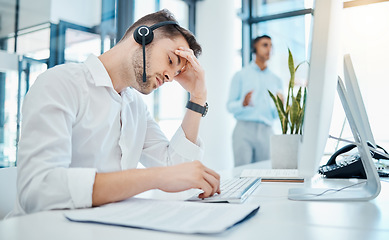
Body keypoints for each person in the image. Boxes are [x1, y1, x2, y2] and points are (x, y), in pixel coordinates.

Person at [11, 9, 220, 216]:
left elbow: (175, 169)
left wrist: (197, 97)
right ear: (142, 34)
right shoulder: (60, 83)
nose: (169, 77)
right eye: (170, 61)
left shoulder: (135, 107)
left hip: (105, 226)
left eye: (175, 75)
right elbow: (38, 190)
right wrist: (155, 177)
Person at [227, 35, 283, 167]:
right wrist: (243, 103)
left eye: (270, 45)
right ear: (255, 48)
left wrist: (280, 106)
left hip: (267, 131)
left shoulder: (277, 80)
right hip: (244, 130)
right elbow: (229, 106)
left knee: (265, 173)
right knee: (241, 174)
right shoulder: (240, 75)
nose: (269, 49)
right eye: (264, 45)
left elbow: (275, 115)